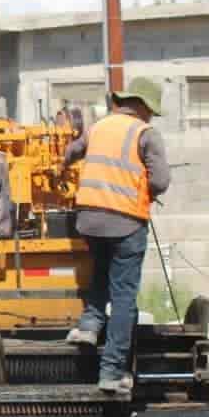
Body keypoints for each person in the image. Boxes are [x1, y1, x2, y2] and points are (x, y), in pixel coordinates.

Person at [62, 78, 172, 395]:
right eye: (150, 110)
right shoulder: (145, 134)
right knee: (123, 297)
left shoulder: (99, 127)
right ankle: (110, 373)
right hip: (125, 221)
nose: (151, 116)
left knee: (101, 271)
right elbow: (161, 181)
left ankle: (88, 327)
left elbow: (72, 152)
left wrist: (64, 165)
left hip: (89, 220)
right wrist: (145, 189)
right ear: (142, 107)